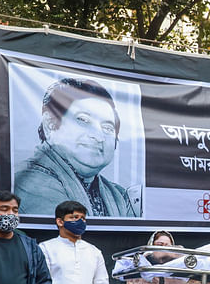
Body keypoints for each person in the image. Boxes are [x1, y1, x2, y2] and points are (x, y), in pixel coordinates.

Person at [14, 78, 138, 217]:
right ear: (50, 125)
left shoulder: (118, 195)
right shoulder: (29, 181)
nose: (98, 136)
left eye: (107, 127)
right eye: (83, 120)